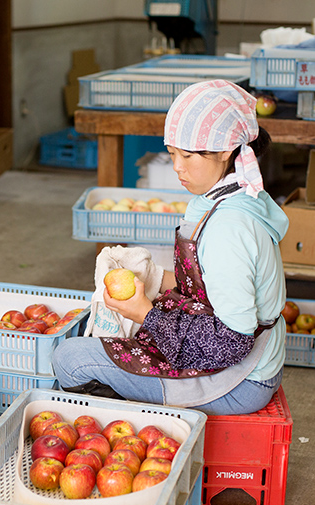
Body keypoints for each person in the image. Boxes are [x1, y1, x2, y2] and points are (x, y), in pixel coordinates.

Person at [52, 79, 289, 415]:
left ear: (225, 151)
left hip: (239, 378)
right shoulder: (223, 196)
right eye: (172, 153)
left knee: (70, 360)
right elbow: (206, 286)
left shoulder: (230, 230)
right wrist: (150, 275)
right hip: (229, 355)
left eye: (188, 155)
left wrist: (145, 314)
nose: (177, 166)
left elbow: (230, 344)